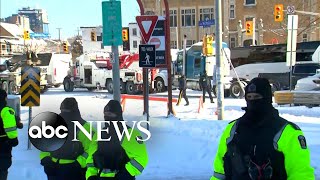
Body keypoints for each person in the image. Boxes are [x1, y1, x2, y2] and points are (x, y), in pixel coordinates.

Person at [210, 77, 314, 180]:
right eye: (249, 97)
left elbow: (300, 173)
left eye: (257, 97)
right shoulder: (233, 129)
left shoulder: (287, 131)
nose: (252, 101)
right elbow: (219, 172)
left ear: (267, 98)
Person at [86, 100, 148, 180]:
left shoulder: (130, 134)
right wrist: (91, 175)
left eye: (111, 114)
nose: (107, 117)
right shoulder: (99, 134)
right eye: (106, 114)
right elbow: (91, 158)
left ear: (118, 115)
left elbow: (141, 158)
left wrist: (125, 174)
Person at [40, 98, 94, 180]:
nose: (65, 114)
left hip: (74, 170)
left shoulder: (84, 128)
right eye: (63, 111)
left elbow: (91, 150)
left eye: (68, 111)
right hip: (53, 168)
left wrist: (78, 164)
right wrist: (45, 159)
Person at [0, 89, 19, 180]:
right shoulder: (5, 110)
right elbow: (10, 127)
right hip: (3, 144)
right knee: (2, 169)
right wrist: (13, 139)